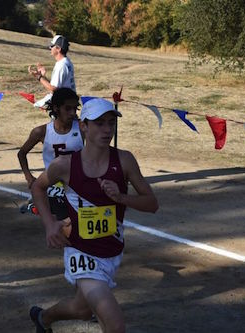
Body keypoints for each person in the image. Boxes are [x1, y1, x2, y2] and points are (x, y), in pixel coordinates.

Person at [30, 98, 159, 332]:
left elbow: (152, 203)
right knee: (115, 325)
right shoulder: (65, 165)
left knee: (82, 310)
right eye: (99, 123)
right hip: (80, 251)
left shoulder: (125, 160)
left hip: (112, 250)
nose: (107, 129)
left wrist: (121, 198)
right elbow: (38, 187)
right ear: (84, 126)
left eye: (111, 123)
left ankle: (43, 318)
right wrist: (49, 224)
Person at [17, 88, 83, 219]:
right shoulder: (41, 132)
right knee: (60, 230)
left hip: (78, 187)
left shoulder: (82, 128)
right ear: (56, 108)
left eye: (75, 109)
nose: (72, 113)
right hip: (53, 188)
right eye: (67, 108)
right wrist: (29, 177)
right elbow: (22, 153)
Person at [29, 35, 76, 108]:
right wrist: (43, 77)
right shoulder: (67, 62)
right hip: (69, 103)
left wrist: (39, 77)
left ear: (58, 49)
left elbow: (54, 89)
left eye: (52, 46)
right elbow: (57, 86)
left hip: (64, 106)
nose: (50, 48)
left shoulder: (61, 65)